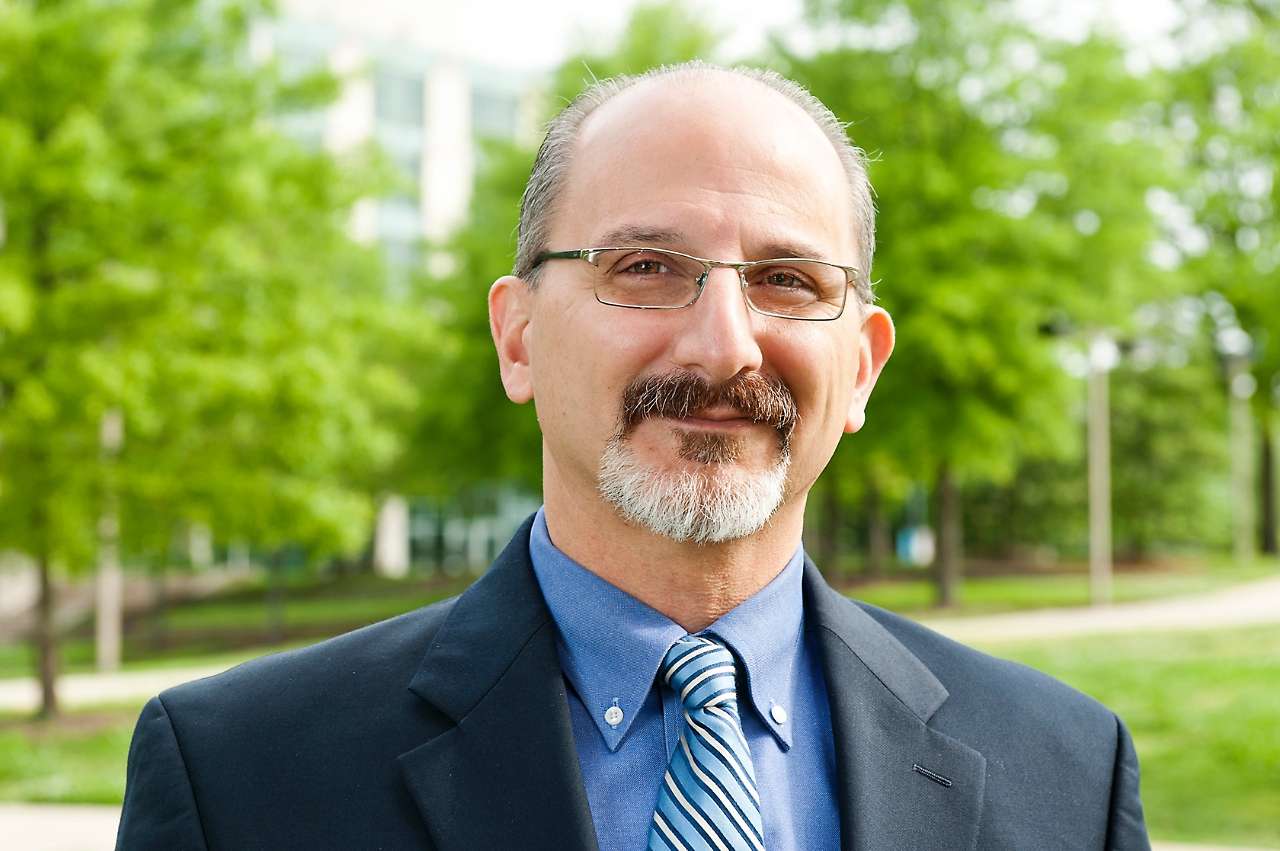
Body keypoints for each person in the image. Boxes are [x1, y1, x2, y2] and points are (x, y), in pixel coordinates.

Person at [116, 61, 1150, 851]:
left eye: (787, 279)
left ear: (864, 368)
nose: (722, 345)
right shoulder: (240, 777)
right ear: (517, 337)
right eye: (645, 267)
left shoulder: (1064, 775)